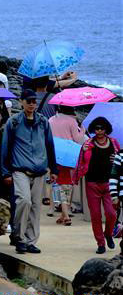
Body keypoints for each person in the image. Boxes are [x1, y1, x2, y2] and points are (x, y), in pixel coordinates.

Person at [2, 88, 58, 254]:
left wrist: (54, 169)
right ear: (22, 102)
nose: (32, 104)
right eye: (29, 101)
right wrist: (6, 172)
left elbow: (49, 145)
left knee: (35, 207)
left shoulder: (43, 122)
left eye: (34, 101)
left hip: (40, 170)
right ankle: (19, 237)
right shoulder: (13, 122)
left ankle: (30, 241)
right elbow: (6, 148)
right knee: (24, 201)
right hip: (20, 169)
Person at [74, 117, 119, 254]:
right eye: (97, 128)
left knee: (111, 214)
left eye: (102, 128)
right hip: (92, 184)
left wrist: (116, 158)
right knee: (95, 215)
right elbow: (81, 162)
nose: (99, 131)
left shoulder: (113, 143)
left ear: (106, 129)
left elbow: (120, 160)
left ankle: (108, 234)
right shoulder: (88, 144)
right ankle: (100, 243)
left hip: (109, 184)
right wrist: (84, 152)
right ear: (93, 129)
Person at [49, 106, 87, 226]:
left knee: (56, 183)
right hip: (67, 155)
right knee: (66, 184)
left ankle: (61, 213)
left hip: (53, 153)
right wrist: (82, 130)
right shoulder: (72, 121)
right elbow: (77, 139)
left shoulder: (51, 119)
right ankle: (66, 215)